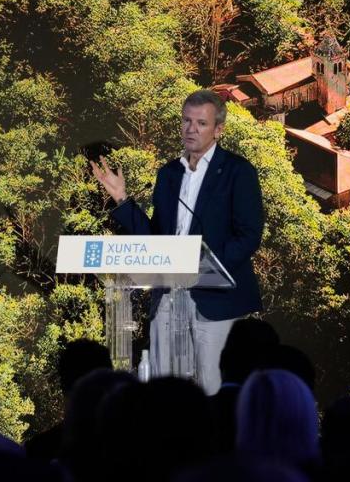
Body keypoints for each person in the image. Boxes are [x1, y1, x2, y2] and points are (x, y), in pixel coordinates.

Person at [91, 89, 264, 394]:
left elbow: (249, 235)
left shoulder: (238, 172)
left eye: (201, 123)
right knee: (164, 392)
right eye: (186, 121)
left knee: (212, 389)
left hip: (215, 303)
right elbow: (156, 240)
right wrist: (121, 198)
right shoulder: (168, 174)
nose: (190, 129)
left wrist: (203, 266)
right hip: (168, 299)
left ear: (218, 130)